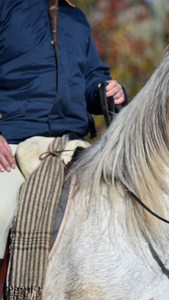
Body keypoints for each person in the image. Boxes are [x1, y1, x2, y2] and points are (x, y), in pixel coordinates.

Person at [0, 0, 127, 261]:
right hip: (11, 143)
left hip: (72, 144)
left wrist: (107, 90)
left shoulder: (76, 18)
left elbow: (93, 75)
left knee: (121, 203)